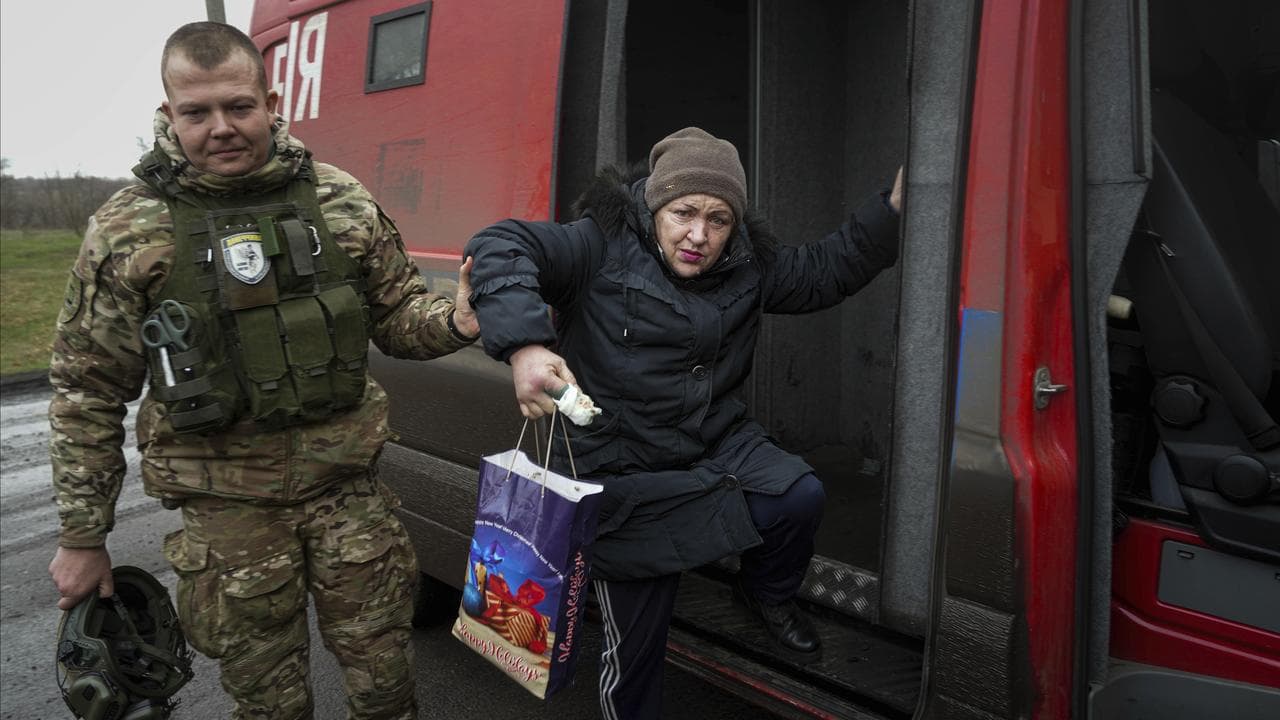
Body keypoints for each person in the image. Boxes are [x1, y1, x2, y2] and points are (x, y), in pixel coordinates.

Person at [46, 22, 479, 720]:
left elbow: (398, 316)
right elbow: (86, 390)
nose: (221, 127)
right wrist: (81, 537)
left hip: (350, 502)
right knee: (269, 707)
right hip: (227, 517)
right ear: (169, 115)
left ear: (272, 102)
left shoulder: (339, 201)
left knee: (387, 690)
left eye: (239, 107)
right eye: (197, 112)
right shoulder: (132, 230)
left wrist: (455, 322)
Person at [464, 127, 902, 719]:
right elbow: (501, 243)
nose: (699, 235)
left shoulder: (750, 263)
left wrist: (893, 211)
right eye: (684, 212)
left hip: (709, 441)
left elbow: (826, 270)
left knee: (798, 496)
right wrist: (525, 346)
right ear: (655, 205)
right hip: (617, 464)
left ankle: (764, 593)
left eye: (719, 219)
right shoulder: (596, 245)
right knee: (637, 649)